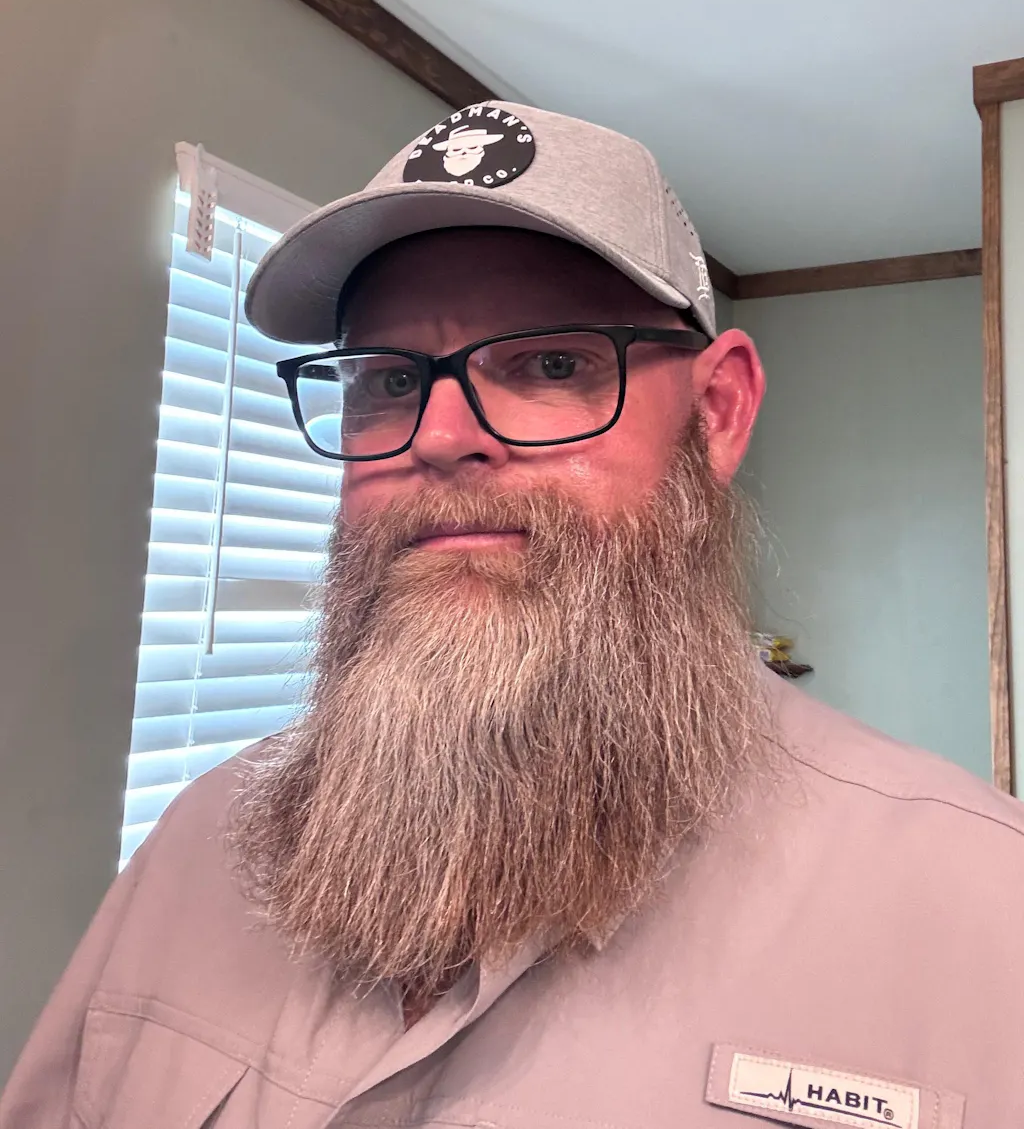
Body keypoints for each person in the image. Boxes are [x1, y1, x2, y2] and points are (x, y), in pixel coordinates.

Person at [3, 102, 1024, 1129]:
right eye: (387, 379)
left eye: (552, 365)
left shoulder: (981, 912)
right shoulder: (198, 846)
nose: (440, 435)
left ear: (717, 414)